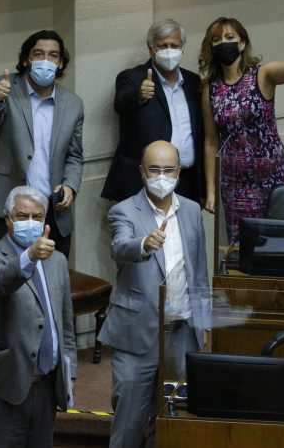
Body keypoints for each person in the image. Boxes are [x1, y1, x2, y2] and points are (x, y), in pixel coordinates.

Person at [98, 141, 210, 448]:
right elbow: (119, 248)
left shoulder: (190, 210)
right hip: (138, 333)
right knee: (129, 425)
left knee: (175, 421)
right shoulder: (123, 211)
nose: (162, 176)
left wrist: (203, 325)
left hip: (182, 333)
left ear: (179, 171)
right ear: (142, 172)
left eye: (169, 170)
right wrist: (144, 244)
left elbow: (199, 270)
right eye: (155, 170)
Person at [0, 185, 78, 448]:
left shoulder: (57, 260)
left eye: (37, 217)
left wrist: (70, 371)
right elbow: (0, 283)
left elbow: (65, 322)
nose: (30, 223)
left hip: (47, 384)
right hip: (4, 386)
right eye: (22, 216)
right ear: (7, 219)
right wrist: (29, 257)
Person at [200, 13, 284, 242]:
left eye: (229, 37)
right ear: (210, 47)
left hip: (274, 175)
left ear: (242, 42)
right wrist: (210, 189)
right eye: (216, 40)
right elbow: (210, 141)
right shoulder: (210, 89)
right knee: (244, 246)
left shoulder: (262, 75)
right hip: (235, 182)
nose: (223, 43)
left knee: (281, 241)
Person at [0, 30, 84, 258]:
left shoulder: (73, 104)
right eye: (38, 54)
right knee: (0, 280)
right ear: (26, 60)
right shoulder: (4, 86)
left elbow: (74, 156)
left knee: (50, 282)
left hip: (51, 210)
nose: (45, 60)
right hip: (6, 207)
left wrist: (70, 185)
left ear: (60, 63)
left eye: (53, 55)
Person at [102, 18, 203, 203]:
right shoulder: (133, 78)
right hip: (144, 183)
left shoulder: (193, 81)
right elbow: (120, 103)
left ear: (182, 48)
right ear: (151, 49)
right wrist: (138, 95)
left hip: (187, 181)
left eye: (174, 45)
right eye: (162, 46)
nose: (169, 50)